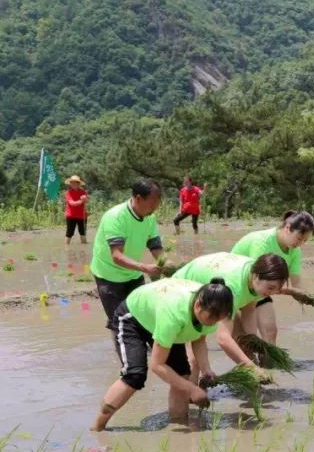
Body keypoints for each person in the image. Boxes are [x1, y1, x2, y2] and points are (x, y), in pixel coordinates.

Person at [92, 277, 233, 431]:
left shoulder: (211, 309)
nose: (213, 323)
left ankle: (179, 423)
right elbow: (157, 365)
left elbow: (198, 339)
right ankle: (98, 427)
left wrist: (206, 369)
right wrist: (192, 389)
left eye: (218, 320)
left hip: (162, 318)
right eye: (211, 319)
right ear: (198, 305)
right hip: (134, 317)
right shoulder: (174, 315)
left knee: (182, 374)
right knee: (134, 374)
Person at [174, 252, 291, 369]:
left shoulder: (257, 277)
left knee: (245, 346)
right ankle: (195, 385)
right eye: (270, 288)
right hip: (182, 292)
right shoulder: (233, 287)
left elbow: (249, 308)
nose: (272, 293)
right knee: (194, 361)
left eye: (276, 289)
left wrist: (253, 340)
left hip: (211, 292)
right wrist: (253, 368)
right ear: (255, 276)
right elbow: (223, 338)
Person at [231, 211, 314, 344]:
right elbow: (258, 280)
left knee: (270, 331)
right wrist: (293, 292)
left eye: (305, 241)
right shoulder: (263, 242)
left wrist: (303, 295)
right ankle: (250, 363)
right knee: (246, 338)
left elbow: (295, 281)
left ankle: (269, 364)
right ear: (288, 228)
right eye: (299, 238)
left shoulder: (295, 251)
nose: (300, 243)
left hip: (259, 290)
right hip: (239, 287)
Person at [90, 179, 166, 321]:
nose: (156, 206)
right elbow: (117, 255)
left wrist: (167, 264)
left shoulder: (150, 217)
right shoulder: (116, 217)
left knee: (141, 316)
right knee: (118, 321)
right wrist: (145, 268)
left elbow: (155, 247)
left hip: (133, 273)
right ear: (138, 199)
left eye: (158, 201)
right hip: (108, 275)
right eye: (153, 201)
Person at [64, 175, 89, 245]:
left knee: (83, 233)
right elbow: (72, 203)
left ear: (78, 184)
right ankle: (66, 248)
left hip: (82, 216)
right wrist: (81, 200)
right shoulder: (68, 192)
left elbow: (87, 201)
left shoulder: (83, 192)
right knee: (69, 233)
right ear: (70, 184)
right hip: (71, 216)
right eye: (72, 182)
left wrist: (85, 199)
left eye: (75, 182)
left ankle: (84, 249)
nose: (73, 184)